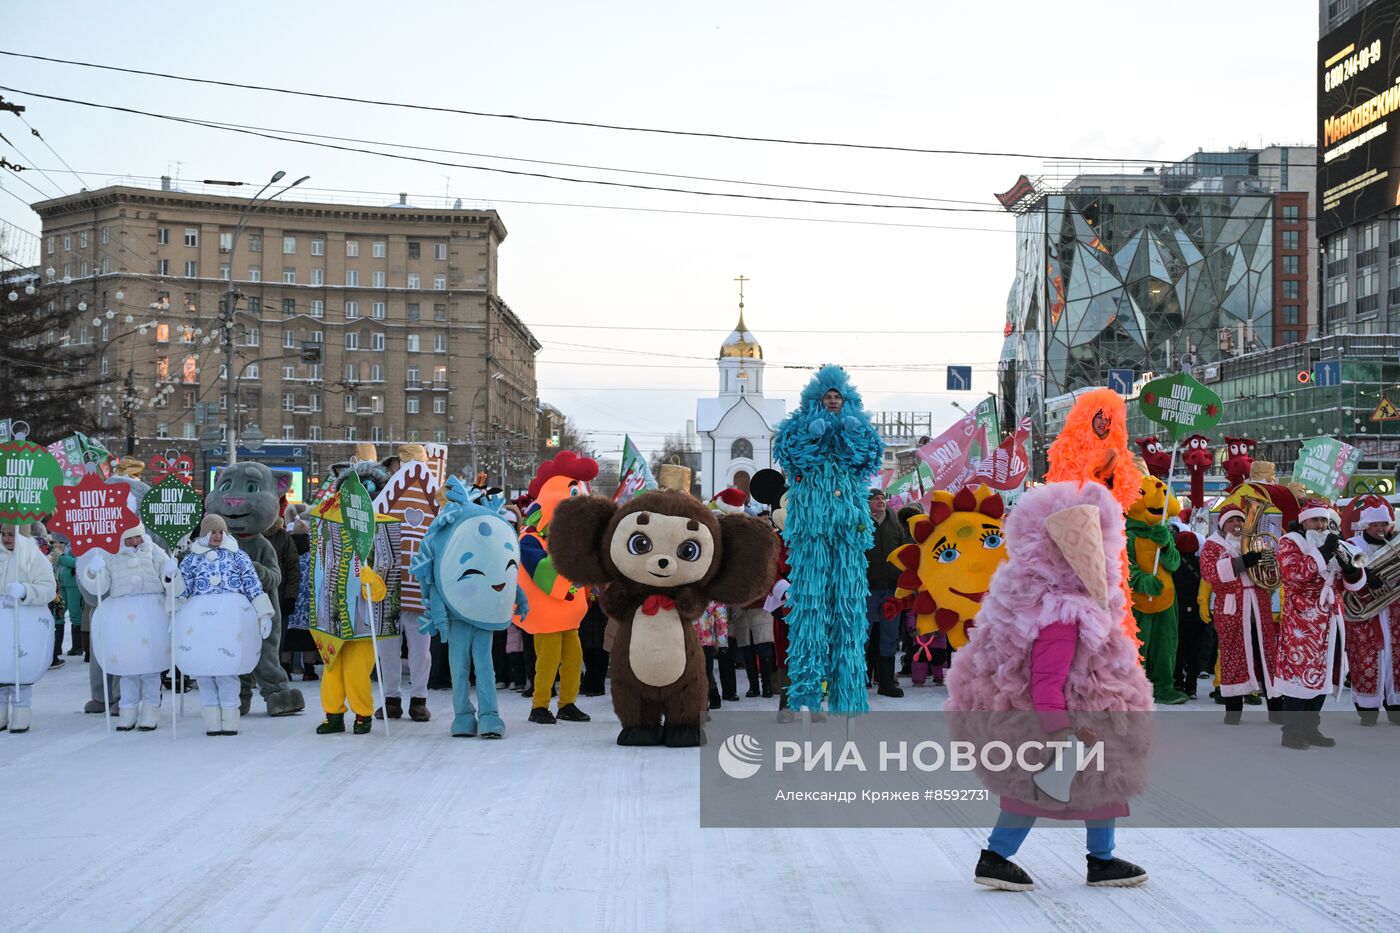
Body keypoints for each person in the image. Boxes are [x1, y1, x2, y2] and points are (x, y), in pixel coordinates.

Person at [945, 482, 1151, 891]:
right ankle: (997, 857)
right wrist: (1059, 728)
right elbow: (1045, 679)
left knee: (1101, 783)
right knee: (1038, 786)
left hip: (1084, 713)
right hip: (1062, 717)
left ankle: (1101, 858)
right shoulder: (1062, 612)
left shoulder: (1061, 601)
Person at [771, 365, 884, 716]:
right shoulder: (797, 428)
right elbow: (791, 458)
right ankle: (805, 695)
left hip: (849, 530)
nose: (833, 402)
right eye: (828, 397)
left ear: (846, 400)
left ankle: (848, 697)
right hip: (812, 533)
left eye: (838, 397)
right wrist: (812, 434)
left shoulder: (859, 428)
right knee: (811, 609)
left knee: (849, 612)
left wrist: (852, 434)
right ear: (815, 400)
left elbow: (868, 460)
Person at [1275, 500, 1365, 749]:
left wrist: (1350, 568)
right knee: (1299, 675)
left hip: (1331, 618)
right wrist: (1323, 552)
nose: (1322, 525)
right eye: (1316, 520)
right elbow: (1293, 574)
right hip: (1302, 620)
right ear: (1304, 521)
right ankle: (1291, 731)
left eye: (1325, 520)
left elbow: (1352, 584)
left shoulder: (1332, 541)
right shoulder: (1290, 542)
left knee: (1324, 674)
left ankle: (1310, 728)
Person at [177, 515, 275, 736]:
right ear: (204, 533)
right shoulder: (192, 559)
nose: (217, 536)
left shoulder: (238, 556)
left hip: (231, 619)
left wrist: (263, 612)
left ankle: (230, 716)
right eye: (213, 532)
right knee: (204, 671)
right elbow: (183, 590)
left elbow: (252, 584)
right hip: (199, 621)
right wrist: (173, 603)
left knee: (226, 670)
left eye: (221, 532)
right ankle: (211, 718)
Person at [82, 525, 181, 731]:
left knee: (151, 667)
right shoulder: (111, 556)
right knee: (128, 667)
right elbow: (100, 588)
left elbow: (167, 574)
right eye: (130, 539)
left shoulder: (154, 550)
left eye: (138, 537)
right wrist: (93, 572)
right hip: (123, 618)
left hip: (152, 616)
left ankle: (151, 708)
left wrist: (171, 573)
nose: (135, 542)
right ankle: (128, 708)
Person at [1199, 506, 1282, 725]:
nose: (1236, 525)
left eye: (1240, 521)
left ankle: (1276, 709)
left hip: (1259, 606)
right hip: (1232, 608)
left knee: (1267, 656)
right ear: (1222, 525)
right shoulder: (1212, 545)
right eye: (1231, 521)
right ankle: (1233, 710)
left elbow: (1272, 573)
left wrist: (1266, 561)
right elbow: (1210, 573)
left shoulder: (1257, 542)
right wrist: (1243, 562)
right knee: (1232, 655)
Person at [1344, 498, 1400, 726]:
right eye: (1375, 525)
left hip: (1394, 610)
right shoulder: (1353, 544)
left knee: (1396, 658)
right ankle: (1367, 707)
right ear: (1366, 526)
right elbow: (1345, 575)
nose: (1380, 529)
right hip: (1365, 613)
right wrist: (1364, 575)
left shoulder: (1393, 543)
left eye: (1383, 525)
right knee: (1366, 658)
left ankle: (1395, 703)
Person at [0, 523, 59, 733]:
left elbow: (49, 589)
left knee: (20, 668)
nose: (7, 539)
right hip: (3, 623)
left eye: (11, 535)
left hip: (26, 622)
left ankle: (21, 709)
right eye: (4, 534)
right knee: (1, 666)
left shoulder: (34, 558)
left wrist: (25, 590)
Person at [864, 488, 909, 698]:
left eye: (882, 498)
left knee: (889, 637)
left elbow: (904, 551)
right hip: (867, 589)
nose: (881, 501)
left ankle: (886, 682)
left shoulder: (895, 523)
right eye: (876, 499)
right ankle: (858, 679)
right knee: (861, 635)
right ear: (868, 503)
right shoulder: (860, 522)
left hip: (891, 588)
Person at [1172, 530, 1206, 699]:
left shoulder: (1173, 564)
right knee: (1194, 651)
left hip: (1177, 612)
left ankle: (1177, 681)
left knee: (1178, 650)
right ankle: (1192, 686)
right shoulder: (1202, 564)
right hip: (1197, 614)